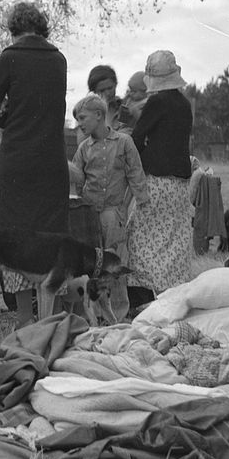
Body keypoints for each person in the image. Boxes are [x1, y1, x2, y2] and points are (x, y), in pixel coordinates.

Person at [0, 1, 69, 324]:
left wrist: (13, 118)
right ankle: (55, 316)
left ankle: (22, 318)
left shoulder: (10, 57)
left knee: (15, 235)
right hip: (52, 161)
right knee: (52, 235)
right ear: (43, 27)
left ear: (14, 29)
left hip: (17, 159)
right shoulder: (58, 59)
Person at [70, 93, 150, 321]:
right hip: (89, 213)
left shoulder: (124, 142)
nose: (80, 124)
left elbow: (135, 172)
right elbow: (77, 177)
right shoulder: (84, 148)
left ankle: (118, 313)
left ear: (99, 116)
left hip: (113, 212)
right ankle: (92, 314)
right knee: (90, 264)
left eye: (83, 118)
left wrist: (133, 204)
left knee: (114, 263)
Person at [125, 49, 194, 308]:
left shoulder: (157, 103)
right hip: (179, 183)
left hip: (157, 179)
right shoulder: (184, 104)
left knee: (142, 236)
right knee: (173, 239)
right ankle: (172, 296)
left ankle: (142, 296)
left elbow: (138, 137)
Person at [87, 63, 138, 134]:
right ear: (94, 92)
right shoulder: (88, 113)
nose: (108, 93)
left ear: (115, 84)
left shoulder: (124, 107)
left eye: (110, 88)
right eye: (102, 90)